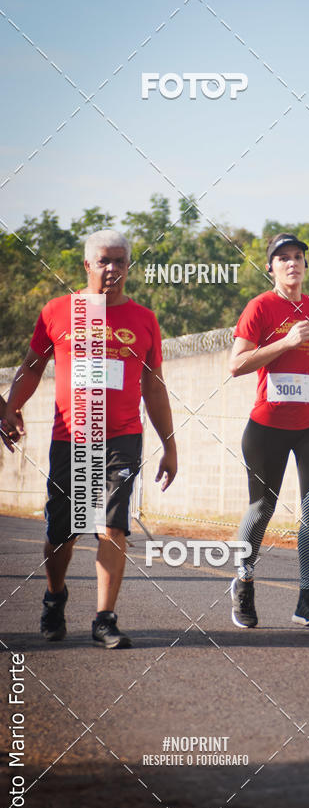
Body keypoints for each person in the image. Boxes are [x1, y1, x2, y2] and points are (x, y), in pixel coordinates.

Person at [2, 229, 177, 648]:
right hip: (72, 437)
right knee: (64, 531)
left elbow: (154, 388)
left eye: (120, 261)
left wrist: (170, 445)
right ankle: (55, 596)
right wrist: (10, 408)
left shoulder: (144, 319)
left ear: (129, 266)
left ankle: (104, 618)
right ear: (87, 265)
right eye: (104, 261)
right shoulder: (58, 312)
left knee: (112, 526)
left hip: (122, 437)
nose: (112, 269)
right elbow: (32, 366)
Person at [229, 232, 309, 628]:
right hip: (267, 426)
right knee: (262, 508)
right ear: (271, 268)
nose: (291, 263)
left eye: (297, 257)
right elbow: (236, 364)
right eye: (283, 258)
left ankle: (306, 599)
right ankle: (244, 581)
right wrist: (286, 342)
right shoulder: (260, 307)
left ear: (306, 266)